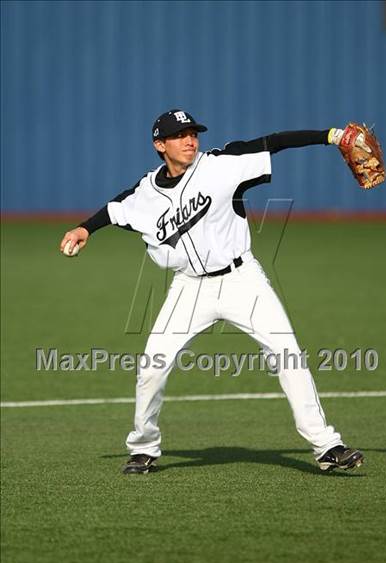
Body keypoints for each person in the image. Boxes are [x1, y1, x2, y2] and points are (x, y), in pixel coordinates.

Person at [60, 109, 365, 474]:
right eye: (179, 135)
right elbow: (116, 207)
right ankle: (143, 447)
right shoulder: (148, 190)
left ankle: (327, 446)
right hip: (189, 288)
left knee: (287, 354)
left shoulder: (222, 164)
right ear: (160, 145)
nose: (190, 140)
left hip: (242, 279)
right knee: (152, 366)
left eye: (193, 132)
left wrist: (331, 136)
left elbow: (274, 142)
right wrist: (84, 229)